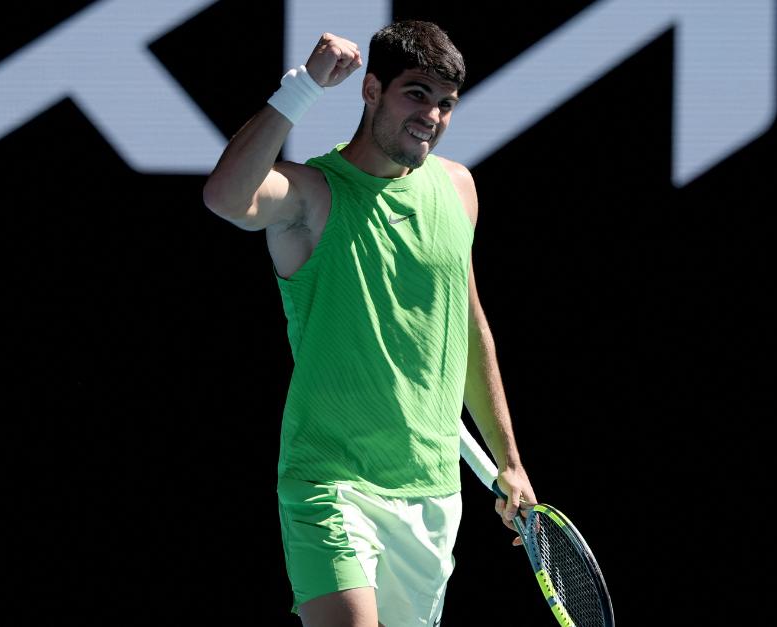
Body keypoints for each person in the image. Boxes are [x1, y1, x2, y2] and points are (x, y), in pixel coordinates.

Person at [203, 20, 536, 626]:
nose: (430, 116)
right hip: (329, 483)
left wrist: (508, 459)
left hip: (433, 492)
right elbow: (227, 197)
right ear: (371, 89)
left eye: (445, 104)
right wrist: (301, 88)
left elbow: (470, 329)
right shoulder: (310, 194)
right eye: (416, 94)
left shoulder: (459, 188)